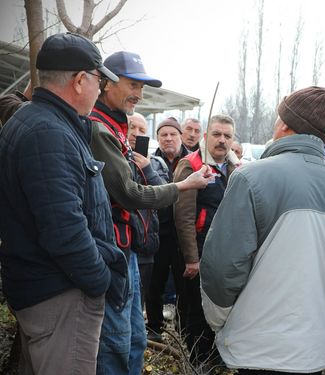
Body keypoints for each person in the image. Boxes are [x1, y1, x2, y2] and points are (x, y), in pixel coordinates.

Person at [200, 86, 325, 374]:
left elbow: (222, 267)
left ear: (284, 124)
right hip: (311, 347)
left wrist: (220, 320)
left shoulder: (250, 177)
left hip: (258, 345)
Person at [0, 32, 127, 374]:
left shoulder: (46, 123)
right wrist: (99, 281)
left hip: (50, 289)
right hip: (61, 295)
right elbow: (64, 231)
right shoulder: (48, 133)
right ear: (79, 80)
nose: (101, 89)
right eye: (99, 80)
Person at [89, 50, 211, 375]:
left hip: (128, 249)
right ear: (105, 83)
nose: (139, 95)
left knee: (134, 338)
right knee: (117, 341)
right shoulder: (98, 129)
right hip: (113, 249)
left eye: (142, 88)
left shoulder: (113, 128)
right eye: (132, 85)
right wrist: (184, 187)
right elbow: (129, 194)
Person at [173, 114, 237, 369]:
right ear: (205, 136)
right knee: (198, 310)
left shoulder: (235, 167)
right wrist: (191, 258)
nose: (222, 141)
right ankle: (198, 360)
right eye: (217, 134)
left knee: (221, 306)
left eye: (227, 136)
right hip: (199, 250)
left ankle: (216, 357)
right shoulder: (191, 165)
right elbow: (183, 216)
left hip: (226, 252)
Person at [146, 116, 192, 342]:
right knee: (156, 282)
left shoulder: (192, 161)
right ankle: (154, 328)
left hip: (184, 234)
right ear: (157, 139)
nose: (168, 138)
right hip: (160, 232)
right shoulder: (150, 162)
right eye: (163, 135)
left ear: (181, 137)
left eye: (173, 134)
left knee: (184, 285)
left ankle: (182, 330)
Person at [127, 112, 171, 305]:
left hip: (146, 243)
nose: (136, 133)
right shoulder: (113, 156)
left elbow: (165, 196)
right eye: (132, 128)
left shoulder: (156, 163)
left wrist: (146, 168)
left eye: (142, 130)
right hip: (123, 243)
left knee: (140, 300)